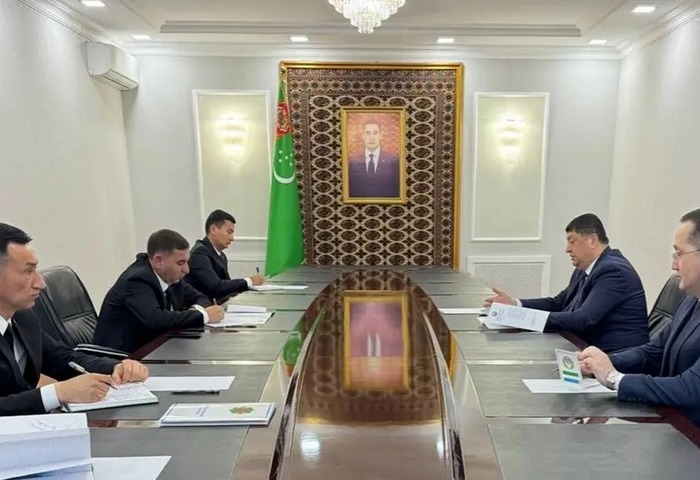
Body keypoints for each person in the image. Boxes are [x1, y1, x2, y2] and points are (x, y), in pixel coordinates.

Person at [0, 223, 149, 416]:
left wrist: (117, 367)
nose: (41, 283)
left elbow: (64, 359)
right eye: (28, 271)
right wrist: (57, 393)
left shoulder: (24, 318)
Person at [579, 209, 700, 425]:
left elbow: (691, 389)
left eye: (679, 254)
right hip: (670, 422)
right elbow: (654, 352)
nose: (673, 265)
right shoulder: (690, 300)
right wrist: (600, 364)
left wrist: (614, 378)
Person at [484, 213, 648, 352]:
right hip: (585, 349)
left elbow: (583, 319)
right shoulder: (585, 269)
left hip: (615, 359)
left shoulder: (614, 271)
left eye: (572, 241)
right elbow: (559, 303)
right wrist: (516, 305)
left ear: (592, 240)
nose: (567, 249)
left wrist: (524, 319)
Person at [93, 229, 224, 354]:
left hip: (154, 348)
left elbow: (201, 298)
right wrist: (203, 316)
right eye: (181, 263)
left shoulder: (171, 277)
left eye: (186, 262)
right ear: (158, 261)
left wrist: (195, 310)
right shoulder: (137, 280)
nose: (187, 269)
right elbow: (156, 319)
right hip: (122, 358)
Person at [185, 209, 264, 304]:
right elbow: (216, 287)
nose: (232, 238)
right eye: (229, 232)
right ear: (213, 229)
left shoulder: (221, 255)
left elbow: (227, 288)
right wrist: (249, 281)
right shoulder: (199, 253)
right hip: (200, 308)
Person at [347, 119, 400, 198]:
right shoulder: (352, 162)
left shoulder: (394, 161)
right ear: (362, 136)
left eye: (375, 133)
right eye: (367, 133)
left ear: (381, 135)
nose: (371, 138)